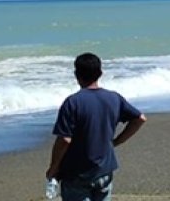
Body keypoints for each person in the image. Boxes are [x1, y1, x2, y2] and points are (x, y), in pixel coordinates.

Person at [46, 53, 146, 201]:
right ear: (100, 73)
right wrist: (116, 141)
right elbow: (139, 119)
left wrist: (53, 168)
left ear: (76, 74)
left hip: (77, 172)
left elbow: (65, 140)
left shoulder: (72, 103)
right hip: (104, 169)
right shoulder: (113, 98)